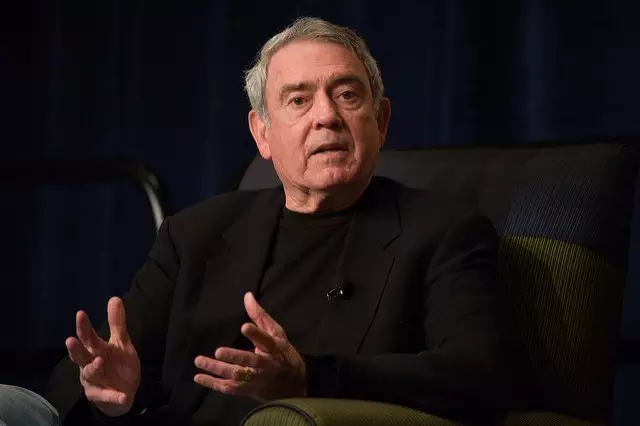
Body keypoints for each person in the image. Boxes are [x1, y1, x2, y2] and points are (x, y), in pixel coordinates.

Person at [38, 16, 508, 425]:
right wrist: (112, 397)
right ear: (262, 133)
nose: (327, 116)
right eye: (298, 100)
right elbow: (90, 372)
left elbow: (481, 375)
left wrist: (311, 379)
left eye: (347, 94)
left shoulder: (442, 231)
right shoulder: (195, 234)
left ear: (380, 121)